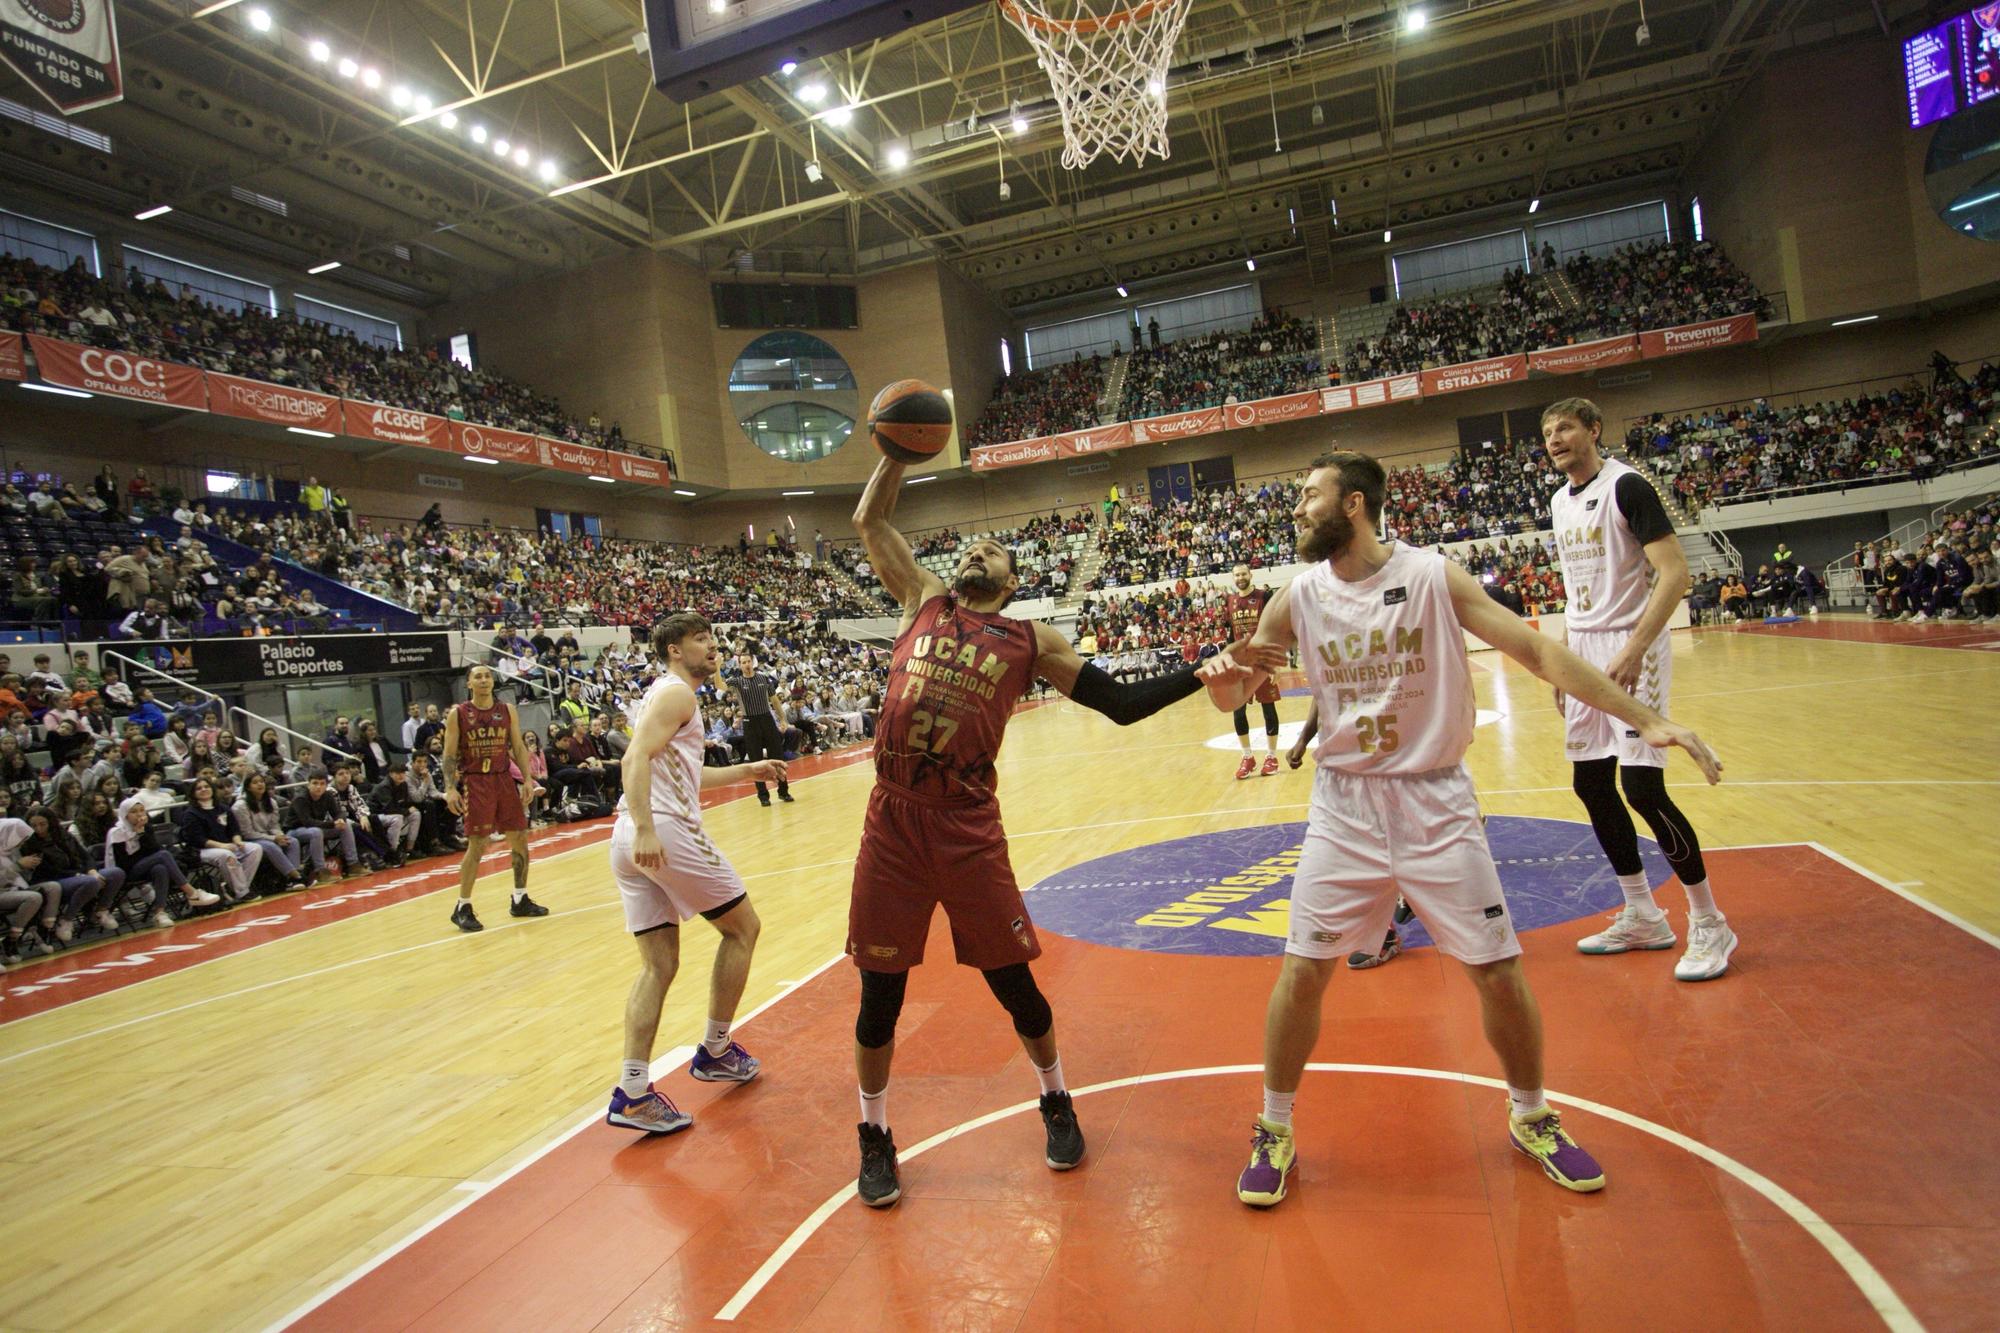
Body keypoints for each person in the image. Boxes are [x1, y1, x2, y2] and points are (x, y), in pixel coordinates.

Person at [1198, 449, 1723, 1207]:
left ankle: (1531, 1112)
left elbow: (1540, 649)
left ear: (1353, 504)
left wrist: (1646, 717)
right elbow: (1242, 690)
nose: (1296, 508)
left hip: (1436, 802)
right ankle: (1274, 1128)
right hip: (1343, 807)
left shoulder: (1431, 576)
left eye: (1309, 495)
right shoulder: (1295, 598)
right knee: (1303, 970)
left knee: (1498, 968)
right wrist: (1224, 688)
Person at [843, 451, 1278, 1208]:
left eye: (993, 553)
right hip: (892, 824)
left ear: (1011, 585)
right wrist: (896, 456)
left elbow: (1122, 704)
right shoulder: (924, 597)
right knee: (879, 996)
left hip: (966, 828)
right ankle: (875, 1134)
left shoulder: (1031, 640)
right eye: (971, 548)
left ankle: (1056, 1096)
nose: (976, 552)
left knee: (1015, 983)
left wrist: (1201, 669)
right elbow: (869, 519)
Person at [1544, 399, 1737, 981]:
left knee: (1643, 790)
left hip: (1633, 647)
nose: (1555, 438)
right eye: (1548, 432)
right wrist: (1565, 662)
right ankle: (1642, 914)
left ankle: (1709, 921)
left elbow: (1676, 573)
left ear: (1594, 430)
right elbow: (1578, 590)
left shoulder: (1628, 487)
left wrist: (1632, 649)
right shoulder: (1558, 500)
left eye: (1566, 428)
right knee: (1591, 783)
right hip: (1583, 651)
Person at [603, 613, 783, 1135]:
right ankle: (716, 1050)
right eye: (701, 639)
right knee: (743, 928)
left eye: (712, 637)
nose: (713, 646)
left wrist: (748, 771)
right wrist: (646, 826)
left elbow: (685, 773)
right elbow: (634, 757)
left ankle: (633, 1092)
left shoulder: (669, 696)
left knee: (658, 967)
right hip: (660, 830)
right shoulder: (677, 694)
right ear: (674, 650)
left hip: (628, 838)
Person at [442, 665, 545, 932]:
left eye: (488, 675)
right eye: (478, 676)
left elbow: (518, 747)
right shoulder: (459, 714)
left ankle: (520, 898)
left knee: (520, 837)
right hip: (476, 781)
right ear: (469, 684)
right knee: (477, 844)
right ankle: (462, 905)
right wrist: (450, 788)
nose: (484, 679)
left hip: (502, 779)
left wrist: (527, 779)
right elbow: (450, 754)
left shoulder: (507, 710)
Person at [1225, 564, 1282, 779]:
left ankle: (1271, 757)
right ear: (1233, 578)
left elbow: (1275, 628)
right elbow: (1230, 636)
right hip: (1240, 664)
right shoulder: (1229, 601)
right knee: (1238, 710)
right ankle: (1247, 757)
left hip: (1263, 661)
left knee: (1268, 708)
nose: (1240, 577)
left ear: (1251, 575)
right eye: (1237, 575)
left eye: (1243, 574)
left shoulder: (1264, 597)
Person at [724, 654, 792, 806]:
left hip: (767, 719)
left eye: (748, 661)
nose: (746, 664)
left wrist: (782, 719)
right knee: (756, 760)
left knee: (778, 756)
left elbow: (774, 700)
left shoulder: (763, 678)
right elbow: (720, 686)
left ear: (752, 663)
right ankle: (763, 796)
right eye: (743, 662)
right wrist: (717, 667)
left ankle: (783, 791)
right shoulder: (737, 681)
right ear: (740, 665)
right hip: (750, 722)